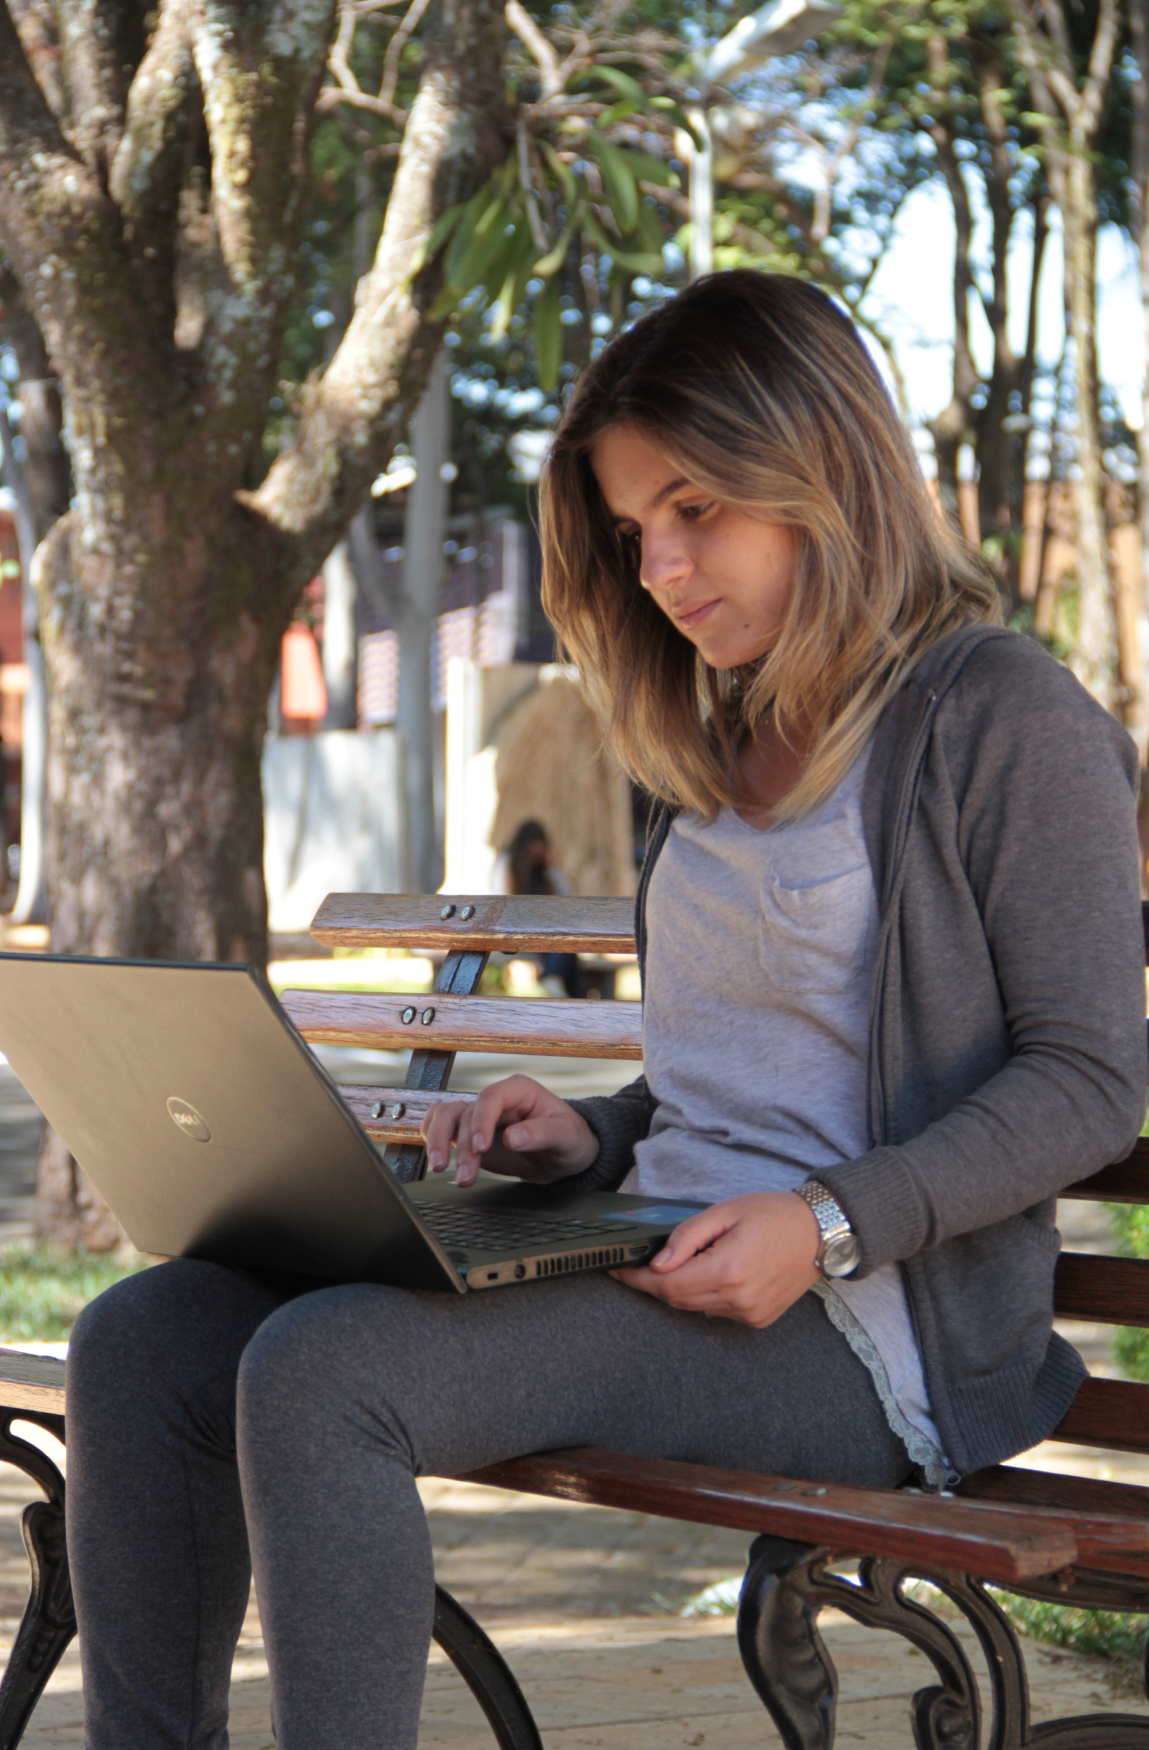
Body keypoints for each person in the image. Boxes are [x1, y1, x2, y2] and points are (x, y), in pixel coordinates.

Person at [65, 270, 1147, 1750]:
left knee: (326, 1373)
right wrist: (589, 1136)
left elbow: (1089, 1078)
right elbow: (737, 1079)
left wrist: (824, 1222)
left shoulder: (1003, 716)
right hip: (656, 1252)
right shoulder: (710, 731)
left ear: (823, 468)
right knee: (144, 1334)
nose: (664, 568)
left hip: (857, 1328)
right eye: (637, 530)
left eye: (697, 507)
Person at [493, 818, 587, 996]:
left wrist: (552, 867)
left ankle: (558, 985)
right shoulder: (507, 866)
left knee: (566, 944)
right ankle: (556, 983)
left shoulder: (546, 872)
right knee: (564, 943)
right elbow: (504, 905)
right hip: (515, 930)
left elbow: (567, 895)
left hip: (544, 931)